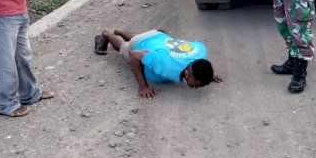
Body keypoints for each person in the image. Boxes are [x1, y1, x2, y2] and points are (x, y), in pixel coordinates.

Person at [93, 28, 222, 99]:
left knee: (144, 39)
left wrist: (208, 76)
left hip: (159, 35)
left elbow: (201, 61)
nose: (195, 88)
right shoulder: (165, 63)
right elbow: (135, 55)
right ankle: (108, 34)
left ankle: (121, 31)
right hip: (142, 43)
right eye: (194, 85)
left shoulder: (200, 52)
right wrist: (143, 86)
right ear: (187, 73)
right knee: (125, 49)